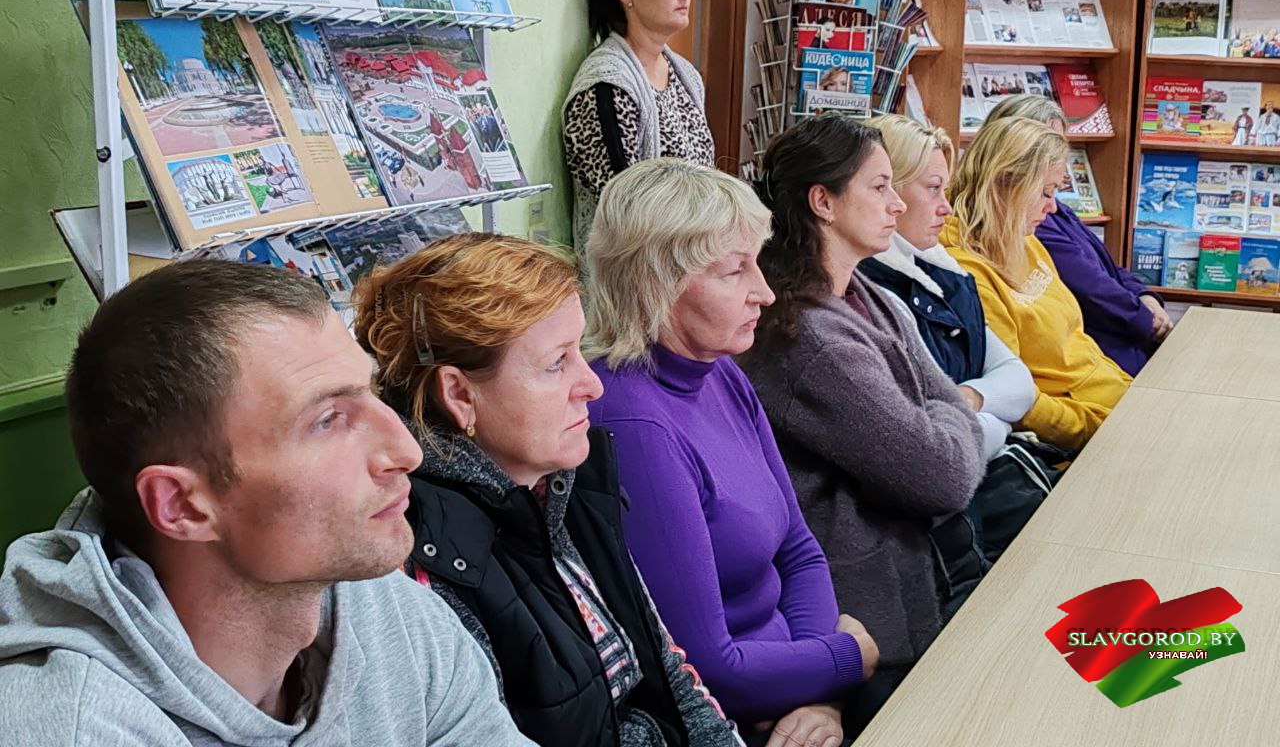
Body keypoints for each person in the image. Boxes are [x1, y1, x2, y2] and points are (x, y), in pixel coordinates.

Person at [0, 260, 533, 746]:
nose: (407, 452)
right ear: (182, 506)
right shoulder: (73, 726)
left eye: (371, 392)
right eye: (328, 420)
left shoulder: (391, 616)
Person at [352, 234, 744, 747]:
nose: (592, 386)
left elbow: (668, 671)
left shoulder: (559, 480)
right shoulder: (423, 565)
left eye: (579, 351)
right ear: (460, 394)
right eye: (557, 363)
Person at [584, 157, 880, 747]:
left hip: (793, 693)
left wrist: (820, 696)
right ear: (657, 283)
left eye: (757, 263)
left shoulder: (718, 371)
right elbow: (707, 669)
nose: (764, 293)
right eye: (733, 271)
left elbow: (798, 550)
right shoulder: (632, 423)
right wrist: (850, 658)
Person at [736, 116, 986, 714]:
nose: (897, 203)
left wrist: (944, 416)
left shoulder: (871, 298)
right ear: (823, 202)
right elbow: (943, 474)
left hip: (913, 585)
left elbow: (947, 418)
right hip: (867, 623)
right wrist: (947, 415)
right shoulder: (809, 339)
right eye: (878, 187)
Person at [941, 116, 1133, 451]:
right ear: (1004, 185)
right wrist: (1099, 429)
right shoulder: (967, 271)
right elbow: (1017, 395)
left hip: (1115, 397)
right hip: (1086, 430)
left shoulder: (1023, 237)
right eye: (1045, 192)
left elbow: (1077, 346)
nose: (1053, 207)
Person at [858, 113, 1035, 461]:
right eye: (933, 188)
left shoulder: (940, 270)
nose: (947, 208)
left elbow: (1020, 383)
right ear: (888, 188)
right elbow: (938, 444)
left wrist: (969, 398)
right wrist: (1000, 422)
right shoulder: (873, 292)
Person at [985, 95, 1172, 376]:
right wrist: (1148, 319)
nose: (1059, 158)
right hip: (1107, 349)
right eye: (1047, 145)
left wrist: (1146, 296)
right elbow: (1091, 287)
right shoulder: (1030, 223)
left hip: (1113, 351)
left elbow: (1109, 268)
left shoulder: (1053, 207)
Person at [562, 0, 715, 254]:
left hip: (690, 262)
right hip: (633, 275)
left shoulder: (686, 75)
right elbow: (626, 209)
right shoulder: (606, 85)